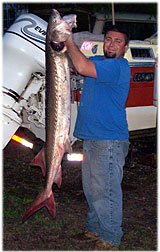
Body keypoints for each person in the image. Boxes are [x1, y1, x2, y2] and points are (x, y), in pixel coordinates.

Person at [66, 25, 131, 251]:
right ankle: (94, 229)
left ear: (125, 47)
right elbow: (76, 63)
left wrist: (68, 41)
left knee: (106, 190)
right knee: (91, 188)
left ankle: (111, 237)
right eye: (109, 39)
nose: (112, 44)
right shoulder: (98, 61)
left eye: (118, 41)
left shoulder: (119, 66)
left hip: (109, 139)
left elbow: (81, 65)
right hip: (92, 136)